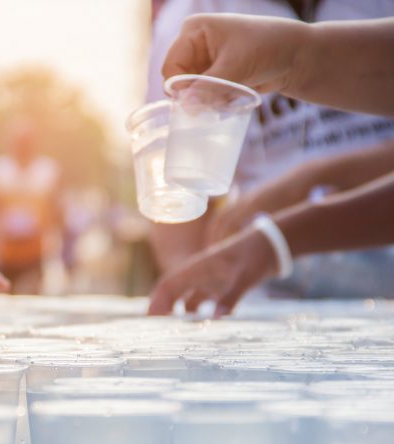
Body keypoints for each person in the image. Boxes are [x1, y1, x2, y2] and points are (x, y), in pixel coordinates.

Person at [149, 14, 394, 316]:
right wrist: (196, 286)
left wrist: (308, 184)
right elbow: (177, 207)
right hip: (260, 284)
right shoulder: (189, 17)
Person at [0, 119, 63, 293]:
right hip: (6, 249)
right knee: (4, 292)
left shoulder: (47, 169)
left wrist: (53, 239)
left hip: (36, 247)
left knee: (33, 294)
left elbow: (54, 208)